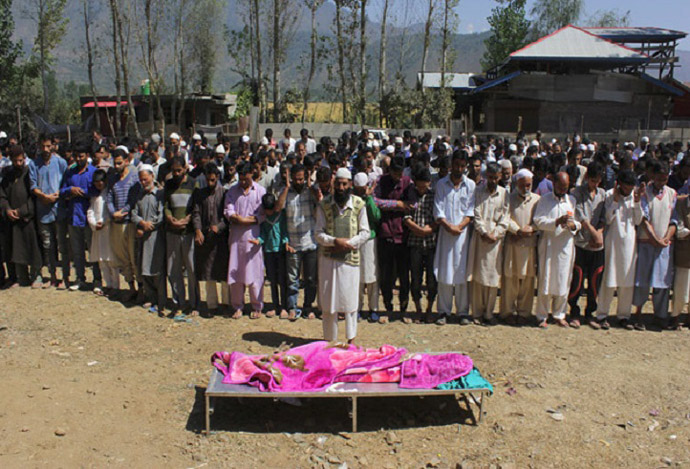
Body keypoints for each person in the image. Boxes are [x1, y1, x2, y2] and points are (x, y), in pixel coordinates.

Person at [315, 168, 370, 343]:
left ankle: (350, 340)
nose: (340, 187)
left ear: (350, 185)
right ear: (333, 183)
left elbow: (365, 232)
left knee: (350, 301)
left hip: (349, 260)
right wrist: (334, 242)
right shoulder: (324, 205)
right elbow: (317, 233)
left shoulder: (359, 204)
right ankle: (329, 340)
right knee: (328, 301)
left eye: (344, 184)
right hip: (328, 260)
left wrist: (347, 244)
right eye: (338, 183)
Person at [594, 170, 644, 329]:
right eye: (626, 187)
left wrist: (637, 202)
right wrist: (615, 201)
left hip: (629, 244)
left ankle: (624, 315)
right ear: (619, 184)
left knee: (627, 282)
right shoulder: (609, 194)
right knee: (609, 279)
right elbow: (608, 219)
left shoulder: (634, 197)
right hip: (613, 243)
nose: (628, 191)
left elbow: (638, 220)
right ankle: (602, 315)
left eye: (631, 188)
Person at [633, 160, 677, 330]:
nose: (661, 182)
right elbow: (643, 218)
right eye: (659, 179)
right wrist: (654, 238)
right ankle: (637, 314)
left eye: (664, 179)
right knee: (642, 280)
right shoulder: (645, 193)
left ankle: (660, 315)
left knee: (662, 282)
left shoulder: (671, 193)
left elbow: (674, 220)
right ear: (653, 176)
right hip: (646, 242)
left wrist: (665, 238)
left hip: (664, 245)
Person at [533, 172, 581, 328]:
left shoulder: (571, 200)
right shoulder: (544, 200)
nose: (562, 190)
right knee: (546, 281)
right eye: (560, 187)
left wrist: (574, 226)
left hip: (565, 246)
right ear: (554, 184)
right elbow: (538, 221)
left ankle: (559, 314)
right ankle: (542, 315)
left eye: (565, 188)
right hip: (548, 246)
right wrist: (555, 222)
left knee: (563, 280)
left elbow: (577, 222)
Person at [433, 150, 475, 325]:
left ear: (466, 167)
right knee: (445, 272)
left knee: (461, 271)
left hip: (463, 236)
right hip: (446, 233)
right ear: (452, 165)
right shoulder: (442, 184)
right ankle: (443, 311)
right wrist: (449, 226)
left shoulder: (471, 185)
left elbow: (470, 211)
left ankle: (463, 312)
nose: (459, 168)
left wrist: (460, 226)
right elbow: (438, 209)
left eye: (462, 166)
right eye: (456, 164)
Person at [275, 163, 319, 320]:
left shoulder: (311, 191)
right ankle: (292, 307)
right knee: (292, 279)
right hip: (293, 243)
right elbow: (278, 208)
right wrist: (287, 188)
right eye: (295, 179)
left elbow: (320, 203)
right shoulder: (286, 192)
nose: (298, 182)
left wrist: (311, 186)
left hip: (311, 242)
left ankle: (308, 307)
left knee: (311, 279)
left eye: (301, 179)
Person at [224, 161, 266, 319]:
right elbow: (229, 210)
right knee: (236, 271)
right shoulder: (232, 191)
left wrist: (247, 221)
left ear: (251, 175)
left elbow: (262, 215)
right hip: (236, 238)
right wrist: (237, 218)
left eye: (245, 179)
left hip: (253, 238)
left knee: (255, 272)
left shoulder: (260, 191)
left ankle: (257, 305)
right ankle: (238, 306)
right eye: (240, 178)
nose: (242, 182)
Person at [469, 162, 509, 325]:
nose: (493, 181)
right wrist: (485, 233)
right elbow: (476, 215)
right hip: (480, 238)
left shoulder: (504, 194)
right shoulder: (478, 192)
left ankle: (489, 313)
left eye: (496, 178)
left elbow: (505, 218)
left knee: (493, 278)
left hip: (496, 242)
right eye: (490, 177)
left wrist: (496, 234)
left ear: (500, 177)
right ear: (486, 177)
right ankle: (477, 313)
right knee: (478, 277)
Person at [568, 162, 606, 328]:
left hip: (597, 244)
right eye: (592, 181)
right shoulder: (577, 193)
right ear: (587, 178)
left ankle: (590, 312)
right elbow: (581, 216)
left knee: (594, 281)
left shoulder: (603, 194)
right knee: (578, 279)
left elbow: (605, 217)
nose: (595, 184)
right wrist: (593, 233)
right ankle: (574, 312)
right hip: (582, 243)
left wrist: (599, 234)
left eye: (597, 181)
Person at [374, 156, 412, 321]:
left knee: (404, 276)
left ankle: (403, 308)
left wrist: (401, 205)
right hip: (386, 234)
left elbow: (412, 204)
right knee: (386, 275)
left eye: (400, 173)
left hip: (403, 236)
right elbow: (375, 201)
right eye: (395, 173)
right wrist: (397, 204)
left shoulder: (407, 183)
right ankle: (388, 305)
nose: (398, 176)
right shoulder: (381, 181)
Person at [501, 169, 540, 324]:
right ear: (517, 183)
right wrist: (517, 229)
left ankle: (524, 313)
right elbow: (505, 217)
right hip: (513, 243)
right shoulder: (509, 198)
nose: (526, 188)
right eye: (523, 185)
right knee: (510, 280)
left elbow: (540, 219)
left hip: (529, 245)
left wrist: (531, 228)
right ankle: (507, 312)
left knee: (528, 281)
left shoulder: (537, 200)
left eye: (529, 185)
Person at [29, 134, 68, 289]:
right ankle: (53, 276)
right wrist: (42, 196)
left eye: (48, 146)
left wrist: (59, 194)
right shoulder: (34, 164)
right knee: (48, 245)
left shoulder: (61, 163)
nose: (45, 149)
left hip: (60, 210)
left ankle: (65, 277)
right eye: (42, 146)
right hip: (43, 211)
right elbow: (33, 185)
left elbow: (66, 182)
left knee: (63, 246)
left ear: (53, 145)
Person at [0, 146, 42, 286]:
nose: (19, 163)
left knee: (33, 247)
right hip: (12, 219)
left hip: (28, 217)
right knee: (17, 249)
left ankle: (36, 276)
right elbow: (2, 196)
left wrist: (22, 211)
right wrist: (7, 209)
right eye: (16, 161)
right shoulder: (8, 175)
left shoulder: (30, 172)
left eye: (21, 160)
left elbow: (34, 195)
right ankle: (21, 277)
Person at [164, 156, 199, 320]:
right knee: (174, 269)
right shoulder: (169, 184)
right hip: (172, 232)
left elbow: (197, 206)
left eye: (179, 170)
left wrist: (188, 219)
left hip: (188, 233)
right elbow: (165, 205)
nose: (176, 174)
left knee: (192, 269)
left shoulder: (193, 183)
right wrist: (170, 218)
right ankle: (179, 302)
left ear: (185, 168)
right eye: (174, 171)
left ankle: (194, 303)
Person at [192, 163, 230, 317]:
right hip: (207, 238)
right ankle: (212, 305)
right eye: (208, 180)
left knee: (224, 273)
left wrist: (219, 226)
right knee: (208, 273)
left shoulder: (225, 193)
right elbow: (196, 213)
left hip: (222, 239)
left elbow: (229, 215)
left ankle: (227, 304)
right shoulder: (199, 194)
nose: (210, 183)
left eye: (213, 180)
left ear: (218, 178)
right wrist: (198, 230)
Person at [60, 143, 98, 291]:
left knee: (93, 251)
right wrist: (70, 189)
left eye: (81, 156)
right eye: (76, 156)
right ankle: (80, 278)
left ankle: (97, 280)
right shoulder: (70, 172)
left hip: (88, 217)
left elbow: (97, 191)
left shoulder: (93, 172)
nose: (79, 159)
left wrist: (83, 192)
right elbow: (62, 190)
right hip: (73, 217)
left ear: (87, 156)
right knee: (77, 251)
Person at [131, 164, 167, 316]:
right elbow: (133, 213)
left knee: (157, 269)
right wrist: (141, 223)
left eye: (145, 179)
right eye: (141, 180)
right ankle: (150, 297)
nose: (143, 182)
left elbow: (161, 215)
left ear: (152, 176)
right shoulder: (139, 195)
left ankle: (161, 301)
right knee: (144, 269)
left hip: (156, 237)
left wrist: (148, 225)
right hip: (143, 237)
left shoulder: (159, 194)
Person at [403, 166, 437, 323]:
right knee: (415, 278)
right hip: (415, 242)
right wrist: (418, 230)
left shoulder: (434, 196)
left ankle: (430, 308)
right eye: (419, 185)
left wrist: (429, 229)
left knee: (431, 279)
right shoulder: (410, 195)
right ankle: (418, 309)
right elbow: (406, 218)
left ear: (429, 183)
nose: (422, 188)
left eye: (425, 185)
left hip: (431, 243)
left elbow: (438, 217)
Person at [107, 149, 140, 301]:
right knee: (123, 257)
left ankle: (141, 289)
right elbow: (109, 197)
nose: (117, 165)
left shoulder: (134, 177)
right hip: (117, 223)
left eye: (120, 162)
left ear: (127, 161)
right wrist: (113, 212)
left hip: (130, 223)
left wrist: (124, 211)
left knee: (134, 257)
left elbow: (133, 199)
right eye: (115, 163)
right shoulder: (112, 179)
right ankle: (131, 287)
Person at [250, 193, 288, 318]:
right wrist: (259, 240)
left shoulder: (281, 215)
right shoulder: (264, 219)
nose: (269, 212)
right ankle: (275, 305)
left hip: (281, 251)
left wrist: (285, 242)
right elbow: (264, 234)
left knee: (282, 280)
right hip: (269, 251)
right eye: (266, 210)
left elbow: (284, 231)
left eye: (270, 210)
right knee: (272, 280)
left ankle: (284, 307)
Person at [352, 172, 381, 322]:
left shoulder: (370, 199)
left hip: (369, 240)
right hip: (355, 240)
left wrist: (368, 198)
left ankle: (373, 308)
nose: (361, 192)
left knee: (372, 277)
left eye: (363, 189)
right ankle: (357, 308)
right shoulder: (350, 199)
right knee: (357, 277)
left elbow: (376, 217)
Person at [87, 169, 120, 297]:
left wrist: (104, 222)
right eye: (96, 183)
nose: (98, 185)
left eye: (100, 182)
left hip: (109, 230)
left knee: (111, 260)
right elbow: (90, 211)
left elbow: (111, 211)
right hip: (98, 232)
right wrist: (94, 223)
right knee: (101, 260)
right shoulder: (94, 196)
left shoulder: (109, 195)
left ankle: (116, 286)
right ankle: (108, 285)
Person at [671, 188, 690, 329]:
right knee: (680, 289)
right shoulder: (680, 203)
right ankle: (675, 317)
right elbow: (679, 230)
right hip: (684, 253)